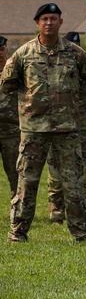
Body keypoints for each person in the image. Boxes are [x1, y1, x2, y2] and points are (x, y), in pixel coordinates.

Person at [0, 3, 86, 242]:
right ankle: (18, 232)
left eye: (53, 18)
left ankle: (82, 233)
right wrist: (26, 106)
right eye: (44, 18)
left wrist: (80, 110)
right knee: (27, 183)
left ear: (60, 23)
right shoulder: (23, 54)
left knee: (73, 183)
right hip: (33, 130)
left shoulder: (75, 53)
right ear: (37, 23)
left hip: (67, 130)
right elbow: (6, 85)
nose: (49, 23)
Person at [46, 31, 86, 223]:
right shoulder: (53, 65)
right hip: (56, 125)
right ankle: (57, 212)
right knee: (56, 172)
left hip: (83, 126)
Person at [0, 35, 19, 198]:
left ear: (6, 50)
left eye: (1, 49)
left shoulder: (15, 72)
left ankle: (18, 210)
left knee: (16, 175)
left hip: (11, 133)